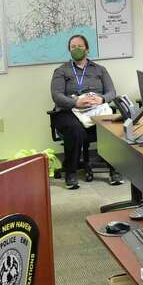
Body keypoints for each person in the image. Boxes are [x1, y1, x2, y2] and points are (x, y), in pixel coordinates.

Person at [50, 34, 119, 189]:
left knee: (113, 126)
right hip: (70, 111)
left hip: (96, 109)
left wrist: (101, 99)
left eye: (80, 46)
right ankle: (71, 172)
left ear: (87, 49)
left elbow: (112, 92)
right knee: (75, 130)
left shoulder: (100, 70)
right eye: (73, 47)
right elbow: (56, 96)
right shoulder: (61, 71)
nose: (77, 49)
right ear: (69, 50)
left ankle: (115, 169)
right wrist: (76, 102)